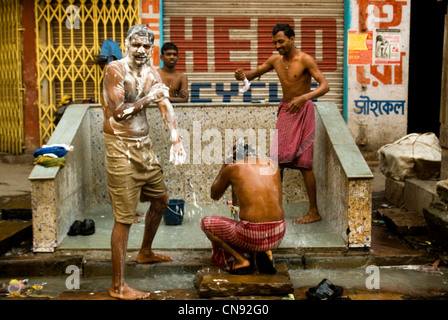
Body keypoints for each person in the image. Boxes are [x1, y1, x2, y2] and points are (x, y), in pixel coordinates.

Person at [101, 24, 185, 300]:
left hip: (144, 148)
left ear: (152, 49)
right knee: (124, 218)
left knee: (160, 200)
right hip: (120, 149)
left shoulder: (151, 72)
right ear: (127, 44)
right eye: (135, 45)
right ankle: (118, 286)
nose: (140, 50)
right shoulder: (114, 70)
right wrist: (150, 97)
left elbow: (165, 105)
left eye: (145, 46)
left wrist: (176, 139)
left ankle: (145, 251)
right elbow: (119, 112)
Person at [234, 23, 330, 224]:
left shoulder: (305, 60)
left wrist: (304, 98)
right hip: (286, 111)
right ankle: (274, 209)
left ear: (292, 39)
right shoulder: (275, 60)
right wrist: (242, 76)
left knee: (305, 164)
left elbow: (325, 86)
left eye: (281, 41)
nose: (278, 46)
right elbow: (252, 75)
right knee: (277, 163)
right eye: (275, 42)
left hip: (303, 111)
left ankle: (314, 211)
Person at [201, 142, 285, 275]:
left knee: (206, 223)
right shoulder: (272, 164)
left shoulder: (234, 167)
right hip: (278, 234)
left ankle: (241, 260)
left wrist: (225, 165)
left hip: (252, 235)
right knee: (258, 217)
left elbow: (214, 195)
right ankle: (266, 252)